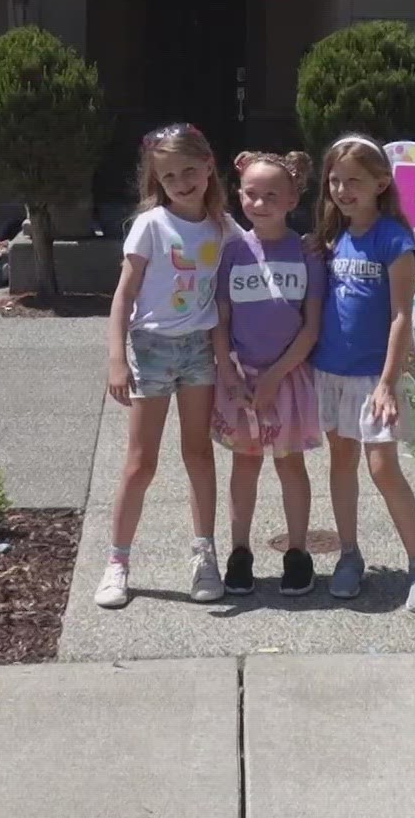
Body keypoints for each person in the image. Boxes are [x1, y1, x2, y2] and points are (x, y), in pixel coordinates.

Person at [96, 122, 234, 609]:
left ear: (209, 167)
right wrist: (117, 358)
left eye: (189, 170)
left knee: (198, 453)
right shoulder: (150, 225)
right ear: (158, 179)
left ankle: (204, 555)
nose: (181, 181)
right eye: (169, 175)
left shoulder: (221, 225)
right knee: (140, 462)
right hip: (151, 348)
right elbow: (123, 295)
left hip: (199, 349)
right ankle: (117, 562)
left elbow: (259, 247)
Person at [309, 135, 415, 612]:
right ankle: (348, 556)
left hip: (372, 379)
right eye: (336, 180)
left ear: (381, 183)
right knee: (340, 462)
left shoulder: (394, 239)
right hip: (330, 371)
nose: (343, 190)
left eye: (355, 181)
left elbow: (401, 314)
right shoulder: (331, 238)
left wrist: (387, 381)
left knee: (383, 467)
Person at [211, 151, 325, 596]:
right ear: (239, 195)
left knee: (290, 463)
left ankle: (297, 552)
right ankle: (239, 552)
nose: (259, 204)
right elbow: (220, 320)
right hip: (241, 378)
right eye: (251, 195)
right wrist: (229, 372)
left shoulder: (307, 252)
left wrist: (277, 376)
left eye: (271, 195)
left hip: (288, 377)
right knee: (245, 463)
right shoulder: (232, 251)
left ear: (293, 198)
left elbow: (311, 325)